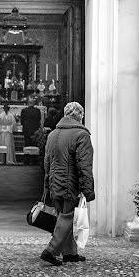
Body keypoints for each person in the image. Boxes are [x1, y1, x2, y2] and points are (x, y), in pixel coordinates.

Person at [40, 101, 94, 266]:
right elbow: (84, 164)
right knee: (68, 215)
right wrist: (88, 188)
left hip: (55, 181)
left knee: (63, 214)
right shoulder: (81, 134)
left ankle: (70, 253)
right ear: (80, 116)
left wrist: (47, 186)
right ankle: (51, 250)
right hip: (70, 183)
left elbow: (46, 163)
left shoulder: (53, 134)